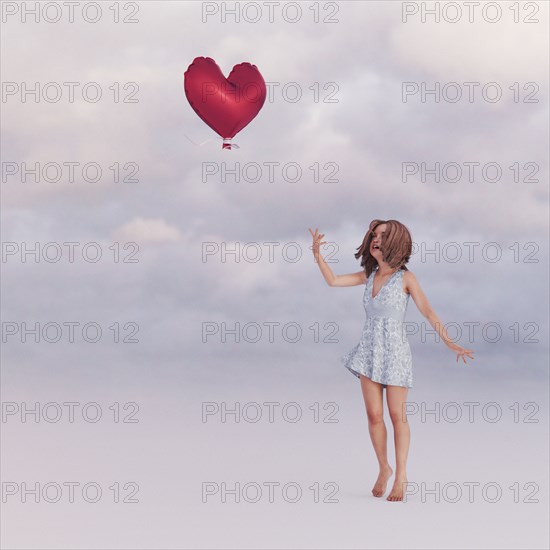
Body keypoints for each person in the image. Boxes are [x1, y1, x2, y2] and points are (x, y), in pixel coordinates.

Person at [308, 220, 474, 501]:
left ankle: (402, 475)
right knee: (374, 416)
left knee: (397, 416)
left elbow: (429, 312)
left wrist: (449, 342)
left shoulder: (406, 278)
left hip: (395, 353)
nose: (375, 239)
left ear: (396, 241)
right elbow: (333, 280)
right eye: (373, 235)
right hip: (369, 351)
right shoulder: (368, 276)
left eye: (382, 235)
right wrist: (317, 254)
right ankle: (384, 467)